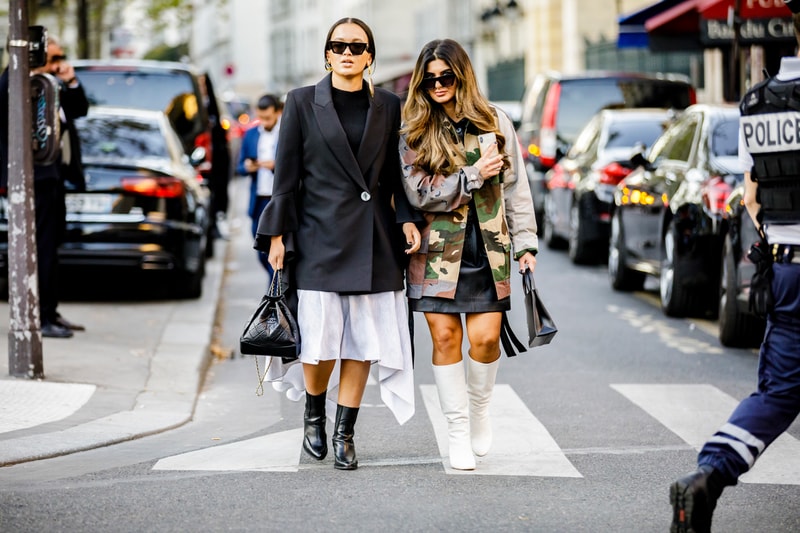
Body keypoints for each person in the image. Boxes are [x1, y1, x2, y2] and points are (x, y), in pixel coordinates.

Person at [255, 17, 421, 471]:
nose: (347, 52)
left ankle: (345, 432)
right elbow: (285, 175)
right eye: (338, 45)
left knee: (363, 341)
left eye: (357, 46)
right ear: (327, 54)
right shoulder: (302, 103)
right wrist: (277, 234)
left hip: (374, 237)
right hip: (317, 236)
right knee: (322, 339)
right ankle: (314, 416)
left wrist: (406, 219)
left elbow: (394, 175)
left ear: (370, 56)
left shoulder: (389, 104)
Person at [669, 3, 800, 531]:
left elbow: (752, 198)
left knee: (779, 392)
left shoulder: (759, 103)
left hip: (787, 267)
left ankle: (707, 477)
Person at [399, 39, 538, 470]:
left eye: (447, 76)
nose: (438, 85)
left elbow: (516, 189)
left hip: (489, 250)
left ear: (463, 76)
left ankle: (479, 411)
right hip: (436, 253)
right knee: (445, 339)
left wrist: (526, 243)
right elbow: (420, 193)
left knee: (485, 339)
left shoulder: (496, 122)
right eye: (430, 78)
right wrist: (473, 175)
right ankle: (457, 430)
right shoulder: (413, 130)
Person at [0, 34, 88, 338]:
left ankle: (50, 310)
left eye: (61, 58)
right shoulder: (20, 82)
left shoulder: (53, 87)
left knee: (52, 247)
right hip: (32, 178)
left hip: (54, 176)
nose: (58, 65)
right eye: (52, 59)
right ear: (36, 59)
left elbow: (79, 110)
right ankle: (39, 316)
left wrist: (71, 79)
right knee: (39, 249)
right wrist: (31, 72)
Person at [236, 94, 282, 280]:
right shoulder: (251, 135)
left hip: (278, 200)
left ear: (278, 113)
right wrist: (247, 167)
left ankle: (274, 296)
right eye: (261, 117)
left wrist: (275, 165)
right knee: (261, 252)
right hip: (259, 202)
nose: (264, 122)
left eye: (268, 118)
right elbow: (239, 167)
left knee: (277, 253)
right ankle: (275, 290)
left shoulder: (287, 133)